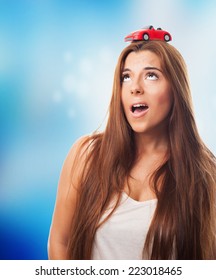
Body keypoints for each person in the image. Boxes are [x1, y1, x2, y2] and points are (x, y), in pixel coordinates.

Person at [48, 37, 216, 260]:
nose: (135, 88)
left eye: (151, 75)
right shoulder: (85, 155)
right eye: (126, 77)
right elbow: (60, 242)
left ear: (176, 89)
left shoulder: (205, 175)